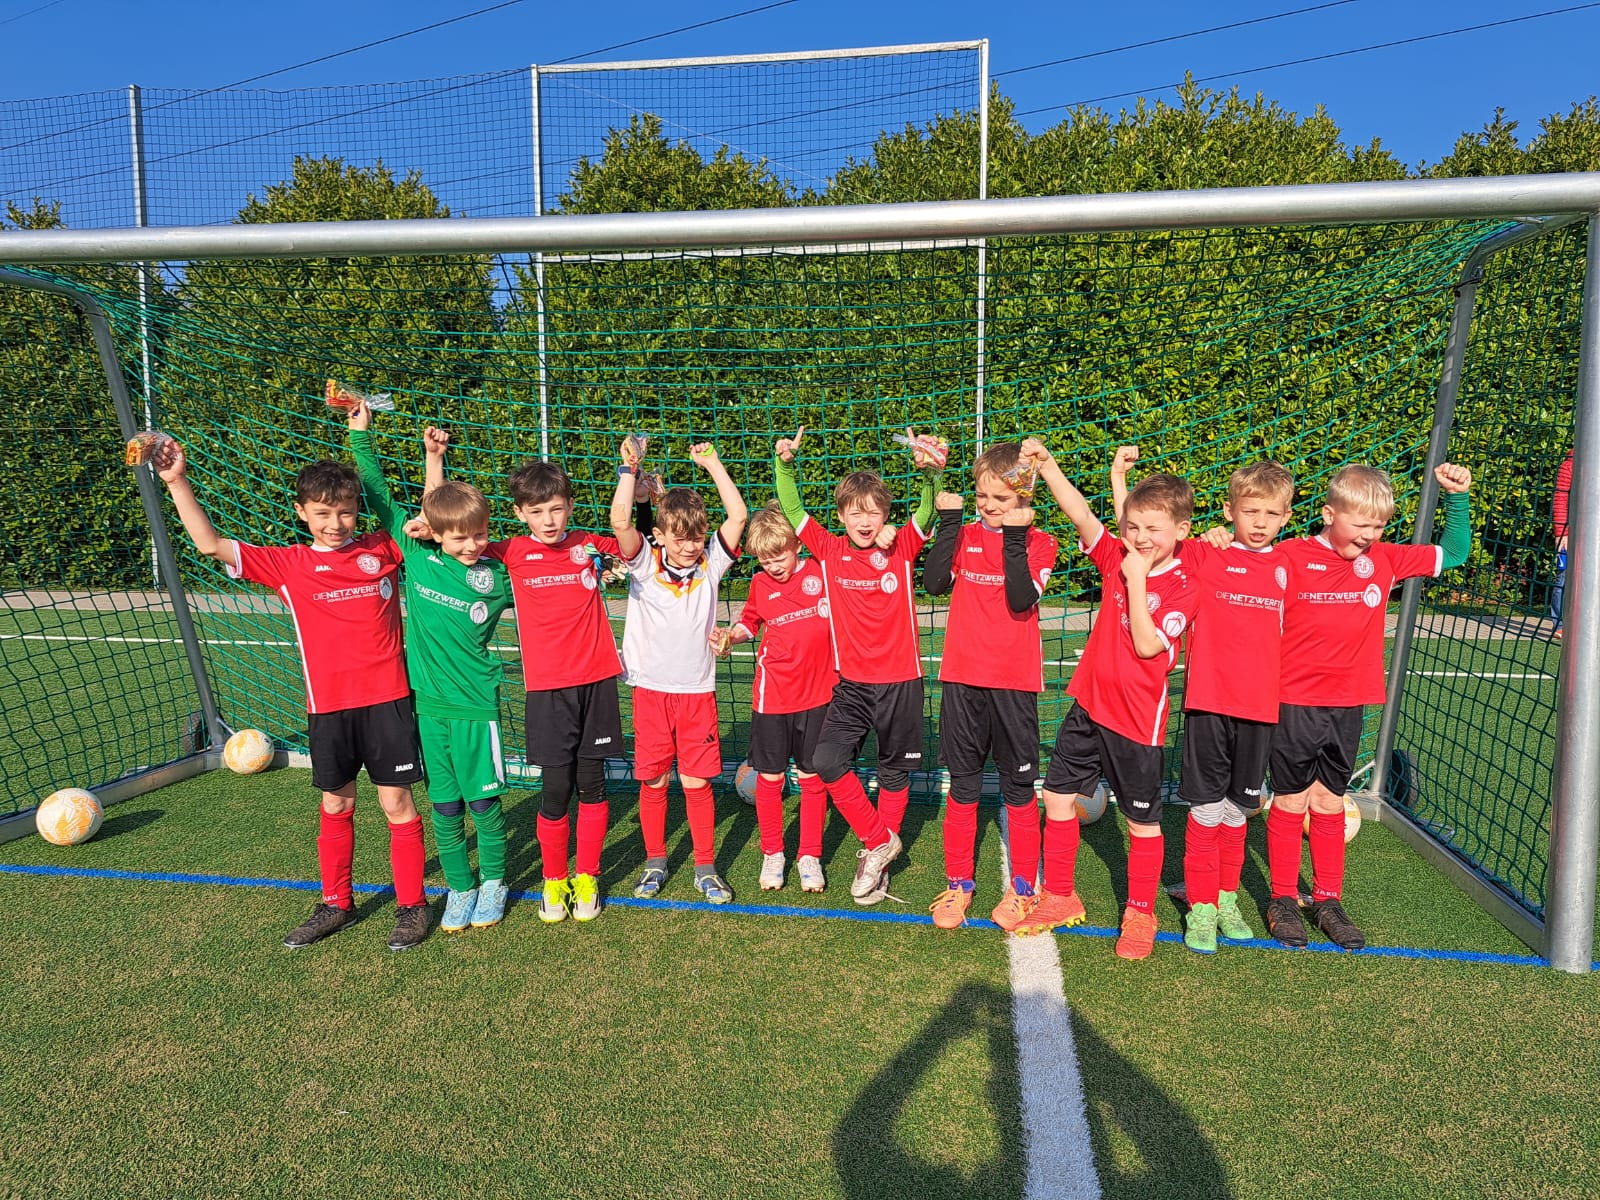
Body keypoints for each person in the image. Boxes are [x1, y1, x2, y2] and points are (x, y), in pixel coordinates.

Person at [152, 416, 429, 951]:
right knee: (337, 806)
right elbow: (209, 544)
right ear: (302, 512)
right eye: (323, 513)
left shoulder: (384, 550)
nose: (335, 523)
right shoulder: (289, 565)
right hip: (328, 708)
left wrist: (402, 457)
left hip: (389, 703)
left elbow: (415, 513)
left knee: (397, 806)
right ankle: (336, 903)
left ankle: (412, 906)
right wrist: (176, 481)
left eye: (345, 512)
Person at [1265, 462, 1473, 950]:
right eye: (1360, 524)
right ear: (1328, 513)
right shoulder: (1289, 556)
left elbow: (1456, 551)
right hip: (1293, 701)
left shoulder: (1385, 559)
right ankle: (1280, 898)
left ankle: (1328, 899)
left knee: (1330, 800)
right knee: (1292, 799)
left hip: (1349, 704)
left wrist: (1457, 497)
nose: (1369, 535)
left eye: (1378, 525)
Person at [1016, 438, 1200, 959]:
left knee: (1141, 820)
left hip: (1138, 723)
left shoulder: (1184, 585)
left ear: (1181, 532)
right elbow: (1079, 512)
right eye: (1132, 528)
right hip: (1090, 706)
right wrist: (1048, 466)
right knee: (1055, 797)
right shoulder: (1119, 553)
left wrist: (1136, 580)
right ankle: (1061, 894)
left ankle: (1141, 910)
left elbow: (1147, 645)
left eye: (1153, 531)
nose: (1139, 539)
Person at [1115, 449, 1293, 954]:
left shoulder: (1289, 563)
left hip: (1261, 711)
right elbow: (1141, 536)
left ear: (1286, 516)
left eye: (1270, 513)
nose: (1259, 523)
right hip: (1209, 707)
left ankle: (1227, 897)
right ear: (1229, 512)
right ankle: (1202, 908)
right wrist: (1119, 478)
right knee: (1206, 811)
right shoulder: (1204, 554)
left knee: (1239, 812)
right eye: (1249, 511)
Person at [349, 413, 515, 934]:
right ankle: (461, 888)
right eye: (460, 537)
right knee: (444, 806)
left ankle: (494, 882)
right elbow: (376, 491)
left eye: (480, 535)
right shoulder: (418, 558)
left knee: (484, 802)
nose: (471, 545)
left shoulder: (499, 576)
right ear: (437, 535)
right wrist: (363, 434)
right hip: (428, 707)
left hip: (476, 705)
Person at [774, 426, 943, 905]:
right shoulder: (829, 551)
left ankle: (878, 867)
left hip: (901, 685)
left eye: (873, 512)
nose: (865, 521)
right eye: (855, 512)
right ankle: (877, 841)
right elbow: (792, 510)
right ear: (843, 515)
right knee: (827, 760)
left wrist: (929, 476)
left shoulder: (901, 546)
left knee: (893, 774)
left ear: (885, 514)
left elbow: (927, 512)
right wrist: (786, 464)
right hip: (852, 687)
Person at [920, 443, 1058, 930]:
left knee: (1019, 789)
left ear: (1024, 497)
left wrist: (1015, 537)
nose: (989, 504)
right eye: (982, 495)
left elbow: (1021, 598)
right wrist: (953, 523)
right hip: (962, 681)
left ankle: (1023, 887)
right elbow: (935, 582)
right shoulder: (965, 532)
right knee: (963, 785)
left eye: (1001, 496)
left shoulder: (1040, 543)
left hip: (1013, 685)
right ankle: (959, 884)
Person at [481, 457, 623, 925]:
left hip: (597, 681)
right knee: (556, 788)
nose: (549, 520)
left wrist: (634, 485)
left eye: (557, 509)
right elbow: (453, 533)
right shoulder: (511, 551)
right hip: (547, 690)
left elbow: (632, 543)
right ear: (520, 513)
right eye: (538, 511)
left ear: (570, 507)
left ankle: (588, 876)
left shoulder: (588, 545)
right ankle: (554, 878)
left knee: (593, 784)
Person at [612, 441, 748, 904]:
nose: (689, 546)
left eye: (696, 537)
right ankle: (655, 860)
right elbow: (620, 522)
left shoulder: (711, 564)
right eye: (680, 537)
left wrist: (712, 463)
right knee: (654, 780)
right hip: (650, 690)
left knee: (696, 781)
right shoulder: (645, 565)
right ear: (662, 535)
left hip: (696, 692)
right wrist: (628, 470)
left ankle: (705, 866)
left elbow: (739, 516)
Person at [713, 503, 837, 892]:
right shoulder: (760, 585)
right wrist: (731, 635)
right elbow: (750, 621)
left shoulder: (821, 573)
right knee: (770, 777)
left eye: (779, 555)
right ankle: (773, 853)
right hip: (772, 698)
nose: (774, 566)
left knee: (813, 777)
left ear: (796, 545)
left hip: (820, 695)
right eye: (765, 560)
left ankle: (810, 856)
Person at [1551, 450, 1572, 638]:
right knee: (1564, 578)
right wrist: (1561, 533)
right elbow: (1560, 500)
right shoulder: (1570, 465)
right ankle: (1560, 624)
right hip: (1572, 533)